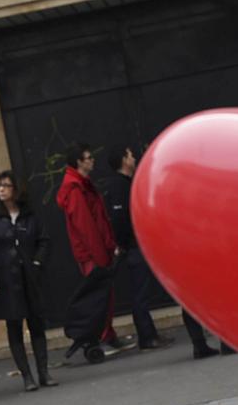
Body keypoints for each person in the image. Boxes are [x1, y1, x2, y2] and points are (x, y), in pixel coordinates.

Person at [106, 146, 222, 358]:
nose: (134, 157)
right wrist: (129, 242)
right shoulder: (119, 187)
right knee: (150, 292)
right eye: (130, 155)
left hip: (150, 244)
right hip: (141, 245)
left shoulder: (130, 183)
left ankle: (186, 340)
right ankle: (148, 337)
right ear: (123, 160)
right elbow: (120, 219)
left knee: (183, 292)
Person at [0, 170, 56, 392]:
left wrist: (38, 262)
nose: (1, 189)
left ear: (16, 189)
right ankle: (26, 376)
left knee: (37, 323)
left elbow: (44, 241)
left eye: (6, 185)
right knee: (14, 326)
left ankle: (44, 372)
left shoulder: (29, 214)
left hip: (30, 277)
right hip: (5, 280)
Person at [57, 143, 130, 357]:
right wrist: (101, 255)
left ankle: (106, 335)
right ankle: (102, 336)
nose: (92, 160)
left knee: (104, 295)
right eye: (88, 158)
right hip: (92, 253)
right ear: (79, 162)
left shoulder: (82, 185)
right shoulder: (75, 188)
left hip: (97, 250)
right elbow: (86, 225)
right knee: (100, 295)